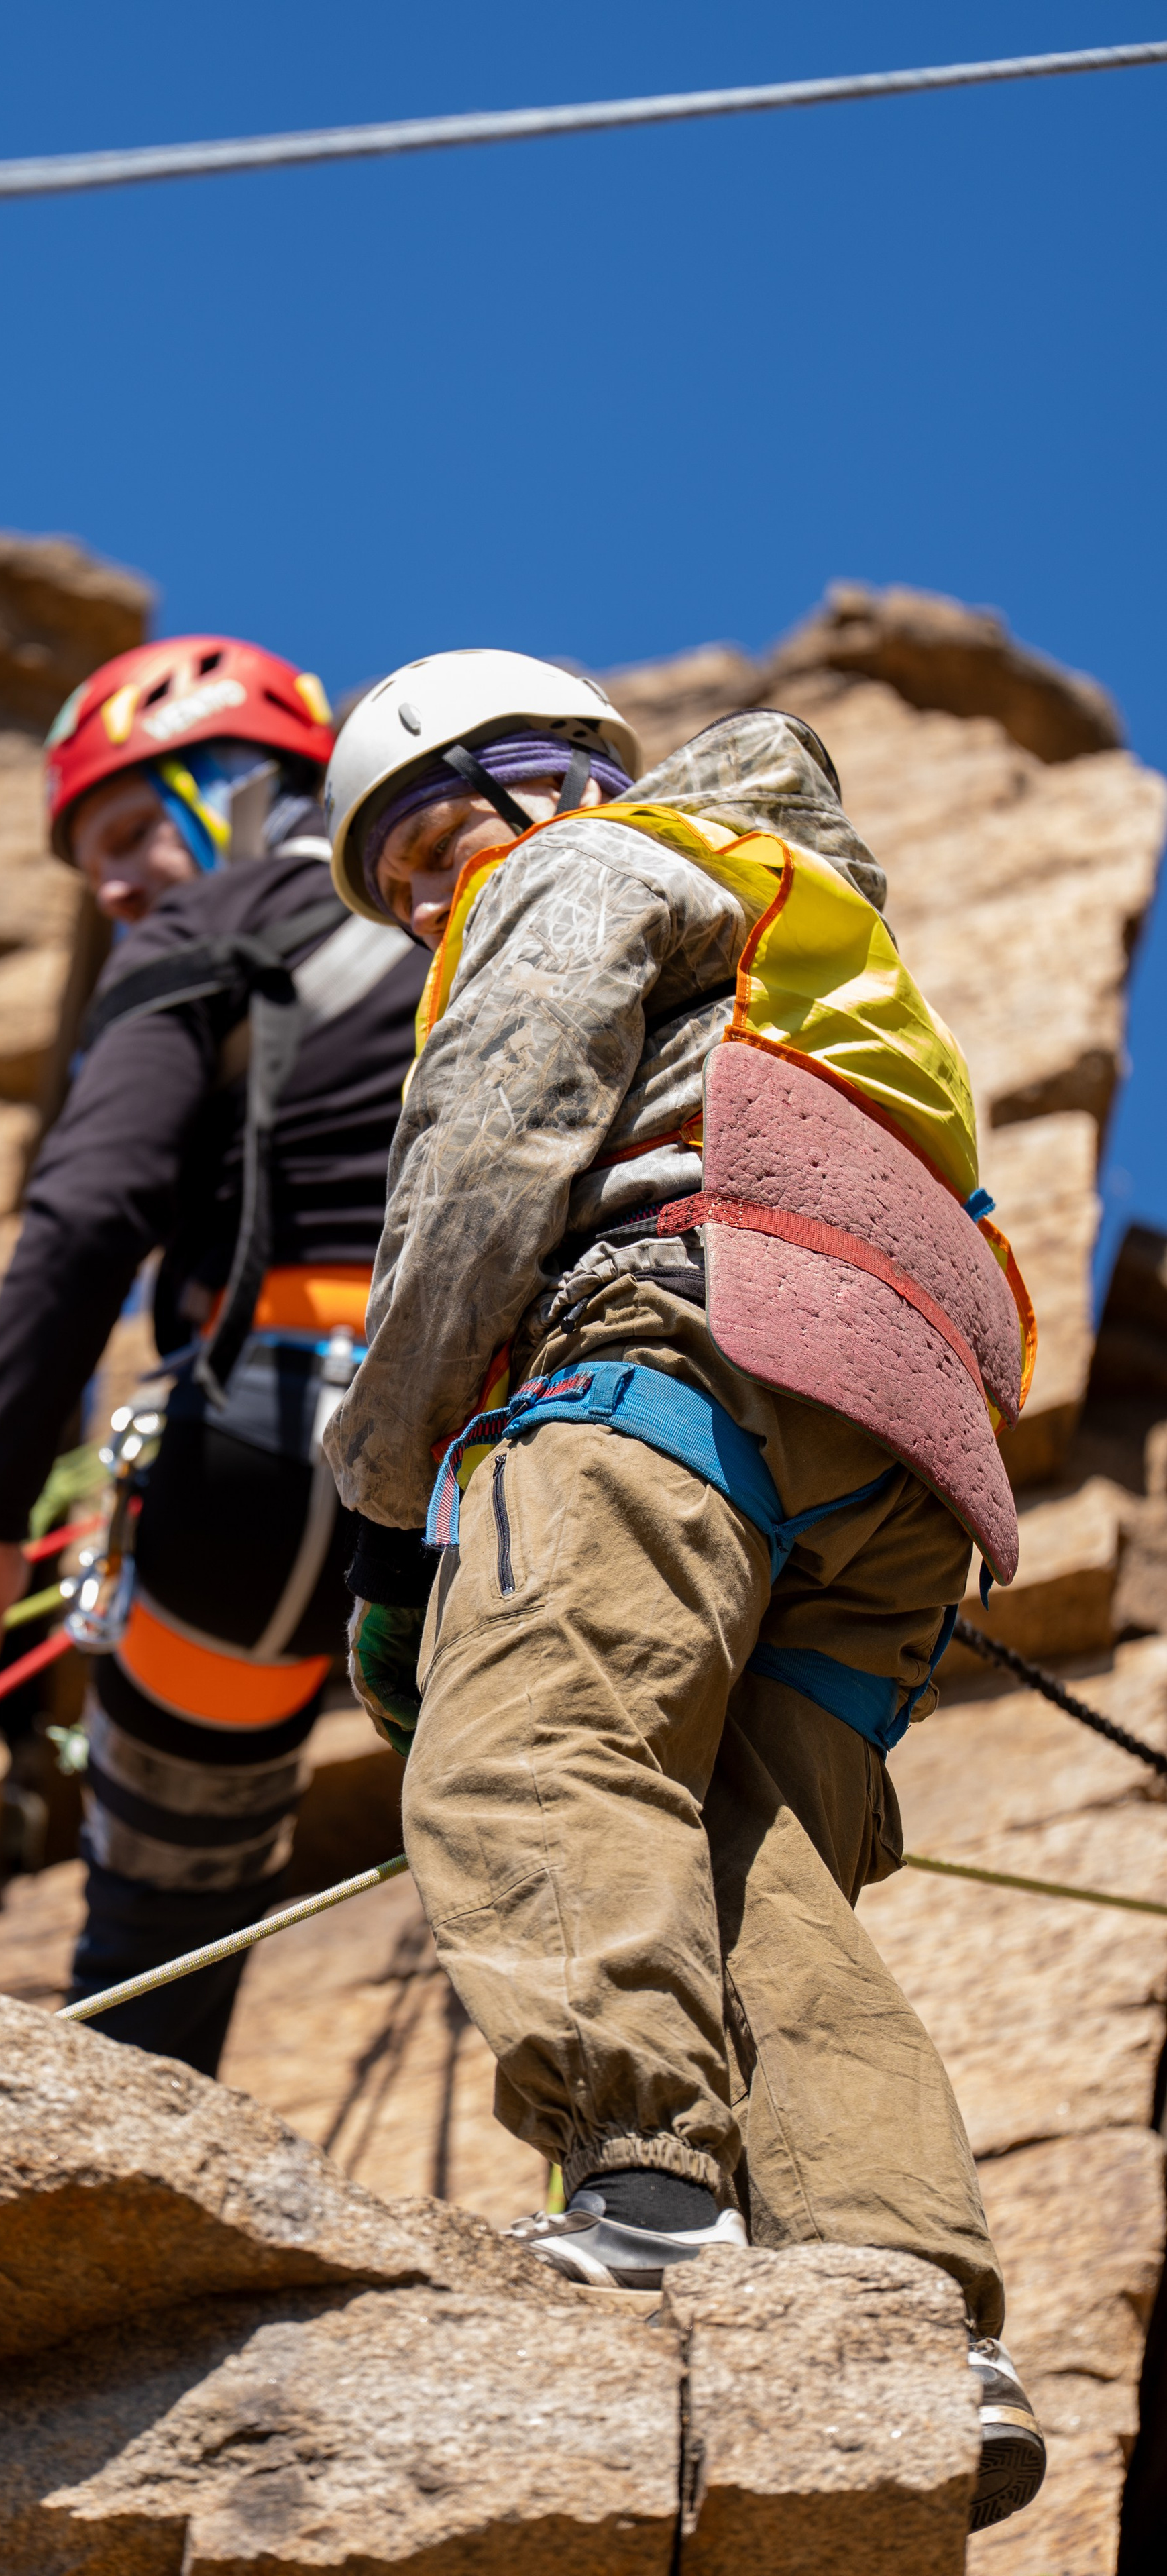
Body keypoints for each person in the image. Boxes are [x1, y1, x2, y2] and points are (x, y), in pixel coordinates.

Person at [318, 648, 1045, 2534]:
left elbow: (493, 1142)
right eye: (392, 888)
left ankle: (646, 2188)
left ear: (533, 777)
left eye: (421, 848)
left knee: (528, 1749)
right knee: (763, 1865)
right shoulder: (810, 934)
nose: (421, 903)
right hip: (907, 1447)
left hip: (681, 1344)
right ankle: (908, 2308)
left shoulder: (584, 867)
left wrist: (389, 1488)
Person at [0, 633, 423, 2076]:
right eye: (96, 871)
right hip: (525, 1438)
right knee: (565, 1816)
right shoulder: (486, 916)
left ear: (250, 787)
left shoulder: (208, 934)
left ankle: (108, 2207)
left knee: (161, 1915)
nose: (118, 887)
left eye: (133, 831)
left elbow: (86, 1216)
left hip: (276, 1455)